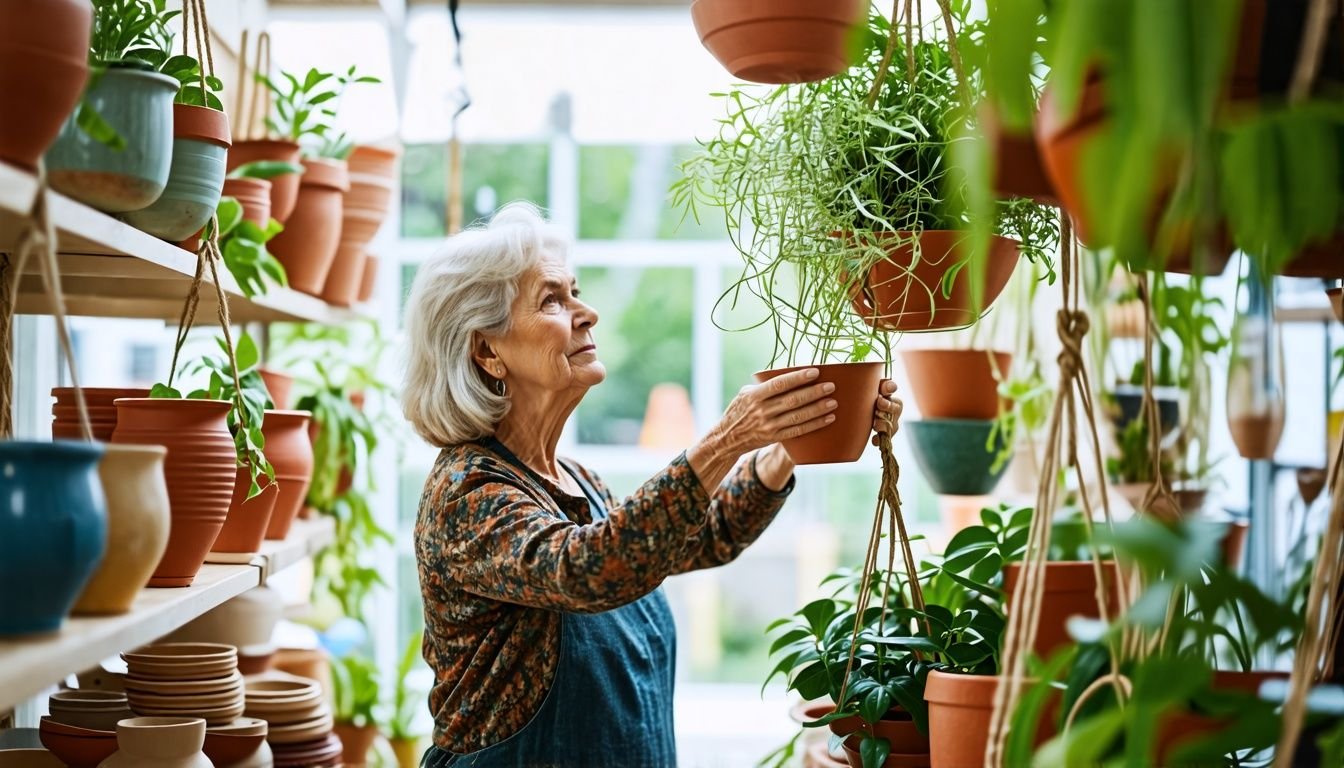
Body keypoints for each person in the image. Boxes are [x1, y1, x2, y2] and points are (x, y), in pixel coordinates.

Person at [401, 202, 904, 767]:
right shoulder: (467, 493)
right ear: (486, 349)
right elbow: (593, 567)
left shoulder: (576, 482)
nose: (586, 312)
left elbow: (693, 538)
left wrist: (785, 446)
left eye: (575, 291)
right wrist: (723, 441)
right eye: (552, 300)